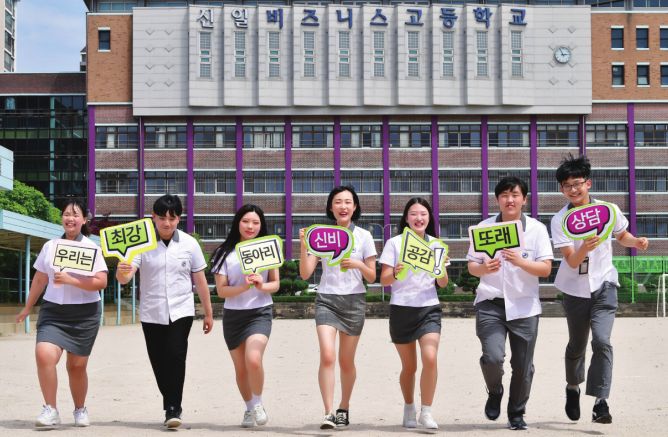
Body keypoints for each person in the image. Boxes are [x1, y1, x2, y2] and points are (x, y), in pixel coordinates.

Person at [550, 154, 648, 424]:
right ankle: (572, 387)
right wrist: (584, 246)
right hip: (575, 290)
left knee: (602, 341)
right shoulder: (559, 220)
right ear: (561, 189)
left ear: (588, 183)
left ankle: (600, 402)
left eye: (577, 183)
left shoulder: (609, 209)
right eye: (567, 185)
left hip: (605, 284)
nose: (573, 189)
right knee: (577, 346)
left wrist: (636, 242)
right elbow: (571, 259)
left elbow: (621, 235)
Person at [116, 194, 213, 429]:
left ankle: (172, 408)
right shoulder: (141, 244)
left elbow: (200, 281)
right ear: (153, 218)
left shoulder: (190, 244)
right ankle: (170, 400)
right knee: (158, 361)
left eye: (171, 218)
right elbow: (125, 278)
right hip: (152, 311)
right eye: (161, 218)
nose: (166, 223)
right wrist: (121, 270)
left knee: (176, 356)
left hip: (181, 310)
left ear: (179, 218)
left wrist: (208, 313)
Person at [467, 177, 553, 431]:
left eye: (515, 195)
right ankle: (495, 391)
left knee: (523, 365)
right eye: (504, 195)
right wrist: (483, 268)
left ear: (524, 199)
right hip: (490, 303)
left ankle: (516, 411)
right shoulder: (484, 228)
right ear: (497, 200)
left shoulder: (536, 229)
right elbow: (471, 265)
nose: (510, 199)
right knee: (492, 357)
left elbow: (546, 268)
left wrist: (521, 262)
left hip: (525, 306)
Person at [16, 199, 108, 429]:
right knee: (44, 354)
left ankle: (80, 409)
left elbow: (101, 282)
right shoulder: (50, 246)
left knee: (76, 367)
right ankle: (50, 409)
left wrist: (72, 279)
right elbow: (39, 279)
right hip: (53, 312)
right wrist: (28, 307)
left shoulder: (92, 248)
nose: (70, 218)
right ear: (62, 219)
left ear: (84, 220)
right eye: (67, 214)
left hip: (85, 314)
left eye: (76, 214)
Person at [299, 186, 377, 429]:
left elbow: (373, 276)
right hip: (327, 299)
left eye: (348, 202)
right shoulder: (320, 235)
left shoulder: (364, 236)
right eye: (338, 202)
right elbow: (305, 273)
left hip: (354, 301)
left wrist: (357, 264)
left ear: (355, 207)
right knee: (328, 355)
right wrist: (303, 245)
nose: (343, 206)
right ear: (330, 207)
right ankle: (328, 412)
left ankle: (344, 407)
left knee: (346, 361)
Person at [378, 197, 449, 430]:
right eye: (414, 214)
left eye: (423, 214)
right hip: (402, 308)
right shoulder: (395, 243)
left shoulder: (437, 245)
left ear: (429, 218)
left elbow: (443, 283)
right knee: (409, 367)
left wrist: (441, 270)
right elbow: (384, 280)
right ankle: (409, 407)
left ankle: (426, 412)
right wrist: (396, 271)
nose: (419, 218)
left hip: (429, 307)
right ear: (406, 218)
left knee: (430, 358)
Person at [210, 205, 280, 428]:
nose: (251, 226)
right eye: (246, 221)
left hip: (260, 312)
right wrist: (243, 287)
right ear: (237, 223)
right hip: (233, 316)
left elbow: (275, 284)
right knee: (240, 368)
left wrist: (261, 284)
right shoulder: (223, 253)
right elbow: (221, 291)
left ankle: (258, 403)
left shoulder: (268, 248)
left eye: (256, 222)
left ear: (262, 225)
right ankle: (249, 408)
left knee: (253, 359)